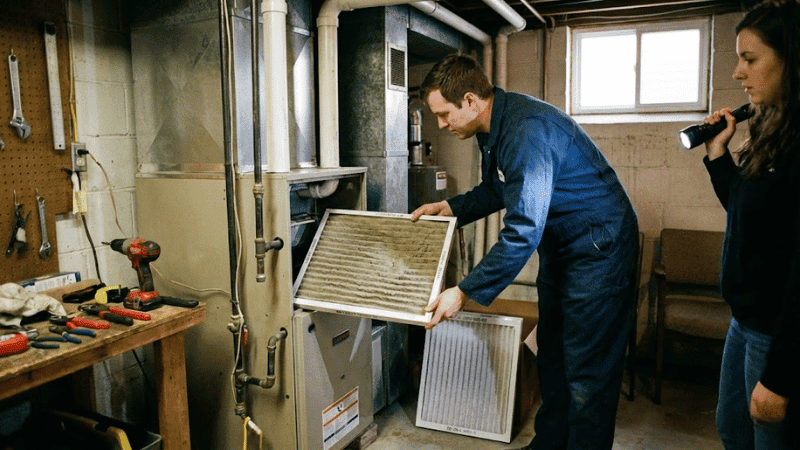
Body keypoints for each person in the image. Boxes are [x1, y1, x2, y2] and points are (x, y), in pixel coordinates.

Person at [410, 54, 639, 450]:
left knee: (587, 374)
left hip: (599, 250)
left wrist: (462, 293)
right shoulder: (493, 127)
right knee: (552, 355)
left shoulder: (525, 130)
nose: (442, 125)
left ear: (470, 100)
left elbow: (522, 232)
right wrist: (449, 208)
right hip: (565, 247)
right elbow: (499, 188)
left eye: (444, 115)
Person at [702, 1, 800, 448]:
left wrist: (779, 377)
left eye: (750, 59)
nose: (738, 73)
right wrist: (718, 154)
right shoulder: (771, 127)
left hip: (778, 332)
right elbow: (747, 216)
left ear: (791, 59)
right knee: (732, 427)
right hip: (745, 319)